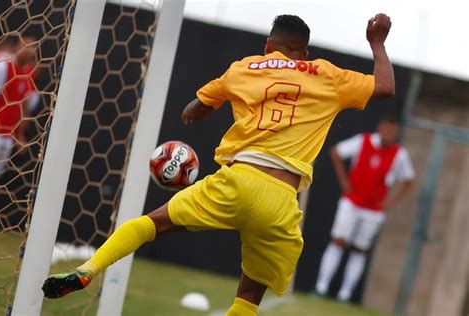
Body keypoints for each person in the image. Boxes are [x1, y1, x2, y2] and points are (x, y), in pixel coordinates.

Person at [42, 13, 394, 315]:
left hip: (236, 181)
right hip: (280, 199)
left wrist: (206, 108)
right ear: (304, 52)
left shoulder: (244, 68)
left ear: (269, 46)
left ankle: (89, 268)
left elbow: (194, 109)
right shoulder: (325, 75)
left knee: (152, 224)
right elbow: (385, 88)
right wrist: (376, 41)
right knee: (251, 295)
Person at [313, 114, 415, 302]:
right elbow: (336, 152)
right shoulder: (363, 141)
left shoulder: (399, 155)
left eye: (393, 131)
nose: (389, 133)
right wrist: (344, 181)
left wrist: (391, 201)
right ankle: (321, 287)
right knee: (338, 241)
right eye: (387, 128)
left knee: (360, 249)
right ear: (380, 126)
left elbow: (409, 179)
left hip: (374, 209)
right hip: (351, 202)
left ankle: (345, 294)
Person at [0, 34, 38, 184]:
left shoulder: (27, 77)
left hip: (7, 138)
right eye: (26, 46)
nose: (29, 51)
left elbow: (23, 110)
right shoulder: (3, 67)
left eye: (33, 47)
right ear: (17, 47)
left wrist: (20, 136)